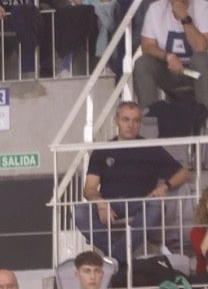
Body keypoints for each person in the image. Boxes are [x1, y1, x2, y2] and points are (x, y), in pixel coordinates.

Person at [76, 99, 193, 257]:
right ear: (116, 121)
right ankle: (119, 254)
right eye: (126, 119)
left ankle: (116, 255)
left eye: (136, 121)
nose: (130, 125)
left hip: (141, 202)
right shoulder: (102, 150)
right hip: (109, 204)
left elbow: (184, 173)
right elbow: (89, 189)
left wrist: (165, 186)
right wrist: (101, 203)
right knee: (80, 211)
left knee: (156, 205)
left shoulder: (149, 148)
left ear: (140, 123)